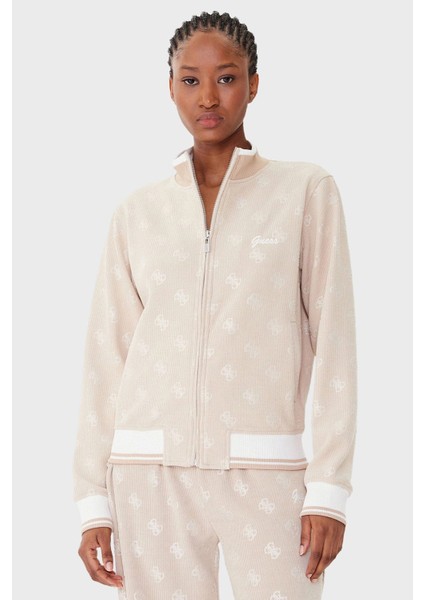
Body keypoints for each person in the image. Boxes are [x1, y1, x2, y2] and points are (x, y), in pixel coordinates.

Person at [73, 10, 358, 600]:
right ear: (170, 86)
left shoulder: (305, 192)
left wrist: (328, 489)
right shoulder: (137, 214)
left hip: (269, 473)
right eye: (190, 79)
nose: (208, 97)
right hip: (148, 474)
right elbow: (107, 359)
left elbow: (336, 343)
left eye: (227, 78)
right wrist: (92, 501)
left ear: (253, 84)